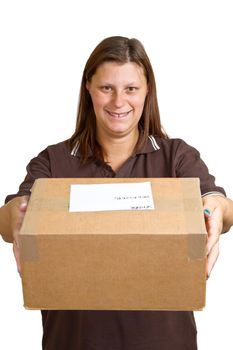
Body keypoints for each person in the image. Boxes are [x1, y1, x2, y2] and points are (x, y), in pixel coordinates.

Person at [0, 36, 233, 350]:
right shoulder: (54, 161)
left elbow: (217, 203)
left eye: (131, 89)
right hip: (75, 343)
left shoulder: (175, 156)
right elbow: (13, 213)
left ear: (147, 89)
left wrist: (215, 209)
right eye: (106, 88)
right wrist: (18, 214)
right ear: (89, 88)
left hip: (165, 343)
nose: (118, 102)